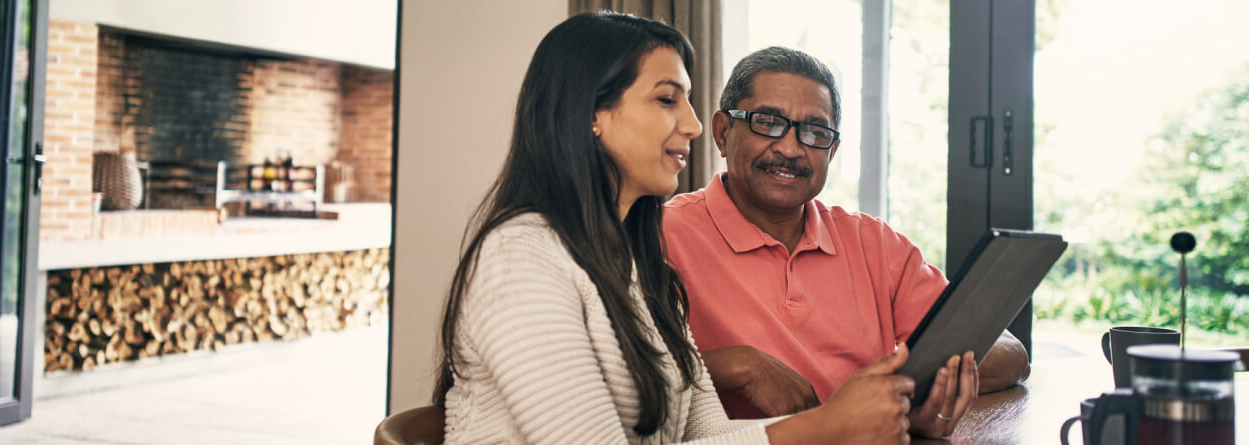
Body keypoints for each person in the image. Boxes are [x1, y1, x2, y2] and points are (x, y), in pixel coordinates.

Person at [433, 12, 924, 445]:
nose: (691, 125)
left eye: (687, 102)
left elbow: (703, 431)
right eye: (668, 100)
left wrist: (840, 420)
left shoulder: (634, 262)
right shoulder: (520, 258)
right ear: (592, 115)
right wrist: (826, 429)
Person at [661, 46, 1031, 438]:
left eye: (815, 133)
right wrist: (737, 366)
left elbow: (1008, 353)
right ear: (722, 132)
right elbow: (615, 379)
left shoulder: (875, 244)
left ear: (832, 150)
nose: (790, 148)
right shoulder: (658, 235)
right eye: (768, 122)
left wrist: (896, 396)